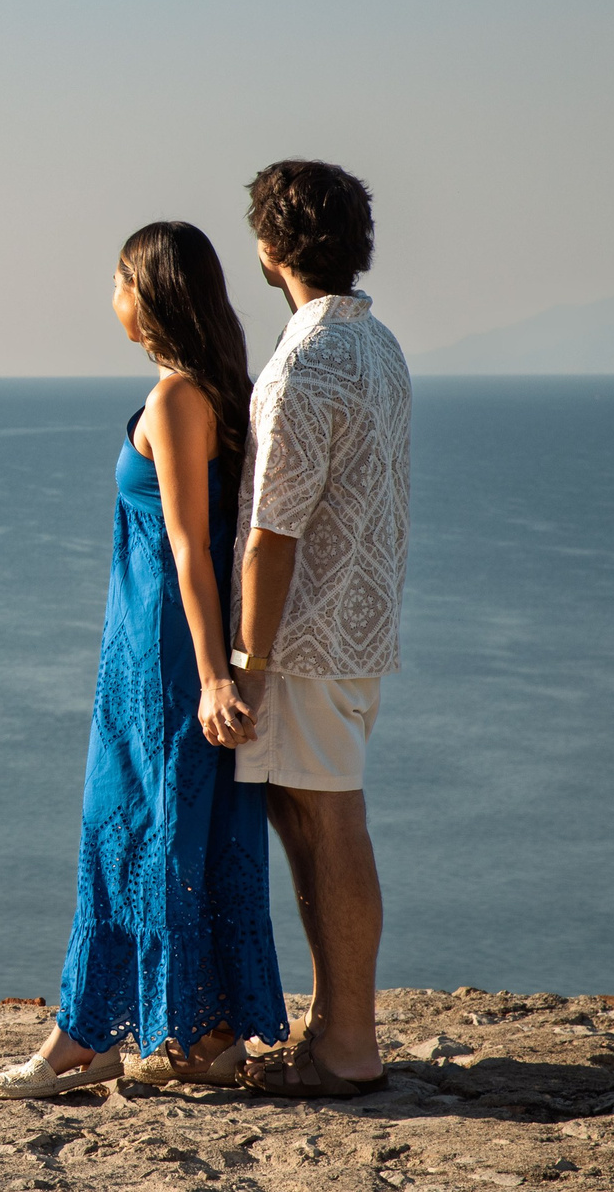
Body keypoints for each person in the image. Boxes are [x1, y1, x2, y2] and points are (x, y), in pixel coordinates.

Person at [0, 222, 287, 1100]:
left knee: (131, 828)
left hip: (161, 655)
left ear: (150, 293)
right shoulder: (213, 391)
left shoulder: (175, 400)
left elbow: (193, 549)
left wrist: (211, 676)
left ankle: (85, 1036)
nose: (109, 294)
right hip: (157, 647)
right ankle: (205, 1030)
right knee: (180, 828)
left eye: (118, 279)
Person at [228, 160, 411, 1101]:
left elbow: (271, 533)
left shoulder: (300, 363)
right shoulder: (379, 345)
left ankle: (348, 1042)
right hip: (359, 623)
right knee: (318, 816)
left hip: (305, 639)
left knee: (328, 821)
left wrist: (246, 665)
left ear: (270, 247)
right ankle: (335, 1028)